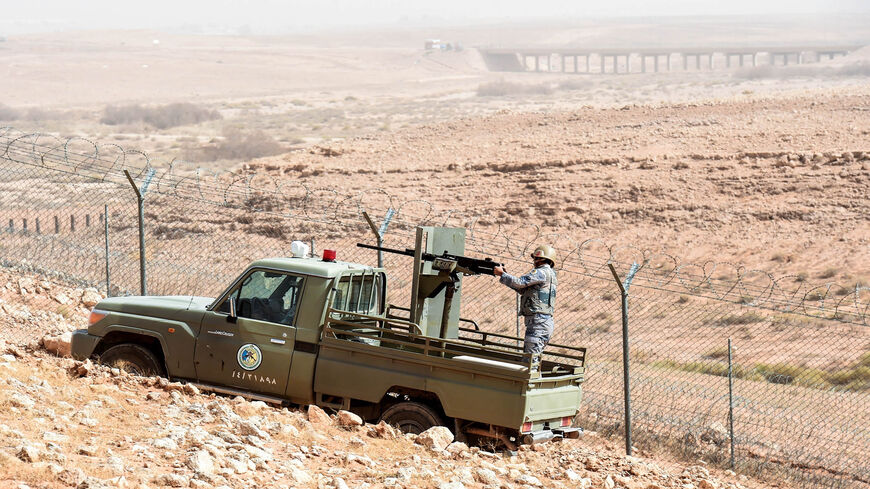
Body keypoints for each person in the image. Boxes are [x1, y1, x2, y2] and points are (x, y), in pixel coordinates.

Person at [493, 245, 558, 355]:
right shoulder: (550, 274)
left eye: (537, 259)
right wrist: (505, 276)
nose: (535, 261)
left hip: (538, 322)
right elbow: (523, 289)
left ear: (545, 260)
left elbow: (520, 283)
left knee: (530, 361)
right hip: (542, 322)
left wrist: (502, 274)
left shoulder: (540, 272)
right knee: (534, 360)